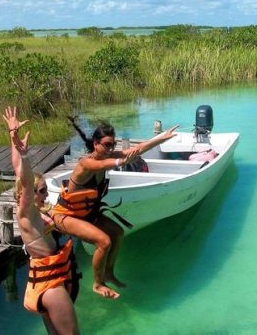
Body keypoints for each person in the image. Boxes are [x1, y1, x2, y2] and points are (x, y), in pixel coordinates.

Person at [52, 116, 178, 299]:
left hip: (87, 214)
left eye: (113, 145)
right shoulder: (86, 163)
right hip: (66, 216)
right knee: (104, 241)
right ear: (95, 144)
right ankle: (97, 283)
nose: (110, 149)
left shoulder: (107, 155)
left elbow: (136, 149)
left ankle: (109, 273)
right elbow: (103, 165)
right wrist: (121, 161)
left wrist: (161, 138)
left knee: (118, 233)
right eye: (107, 145)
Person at [3, 106, 79, 335]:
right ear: (28, 195)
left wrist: (13, 138)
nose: (46, 194)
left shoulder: (35, 211)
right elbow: (25, 182)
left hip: (49, 281)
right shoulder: (26, 213)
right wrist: (25, 155)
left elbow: (18, 171)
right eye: (42, 190)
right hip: (52, 286)